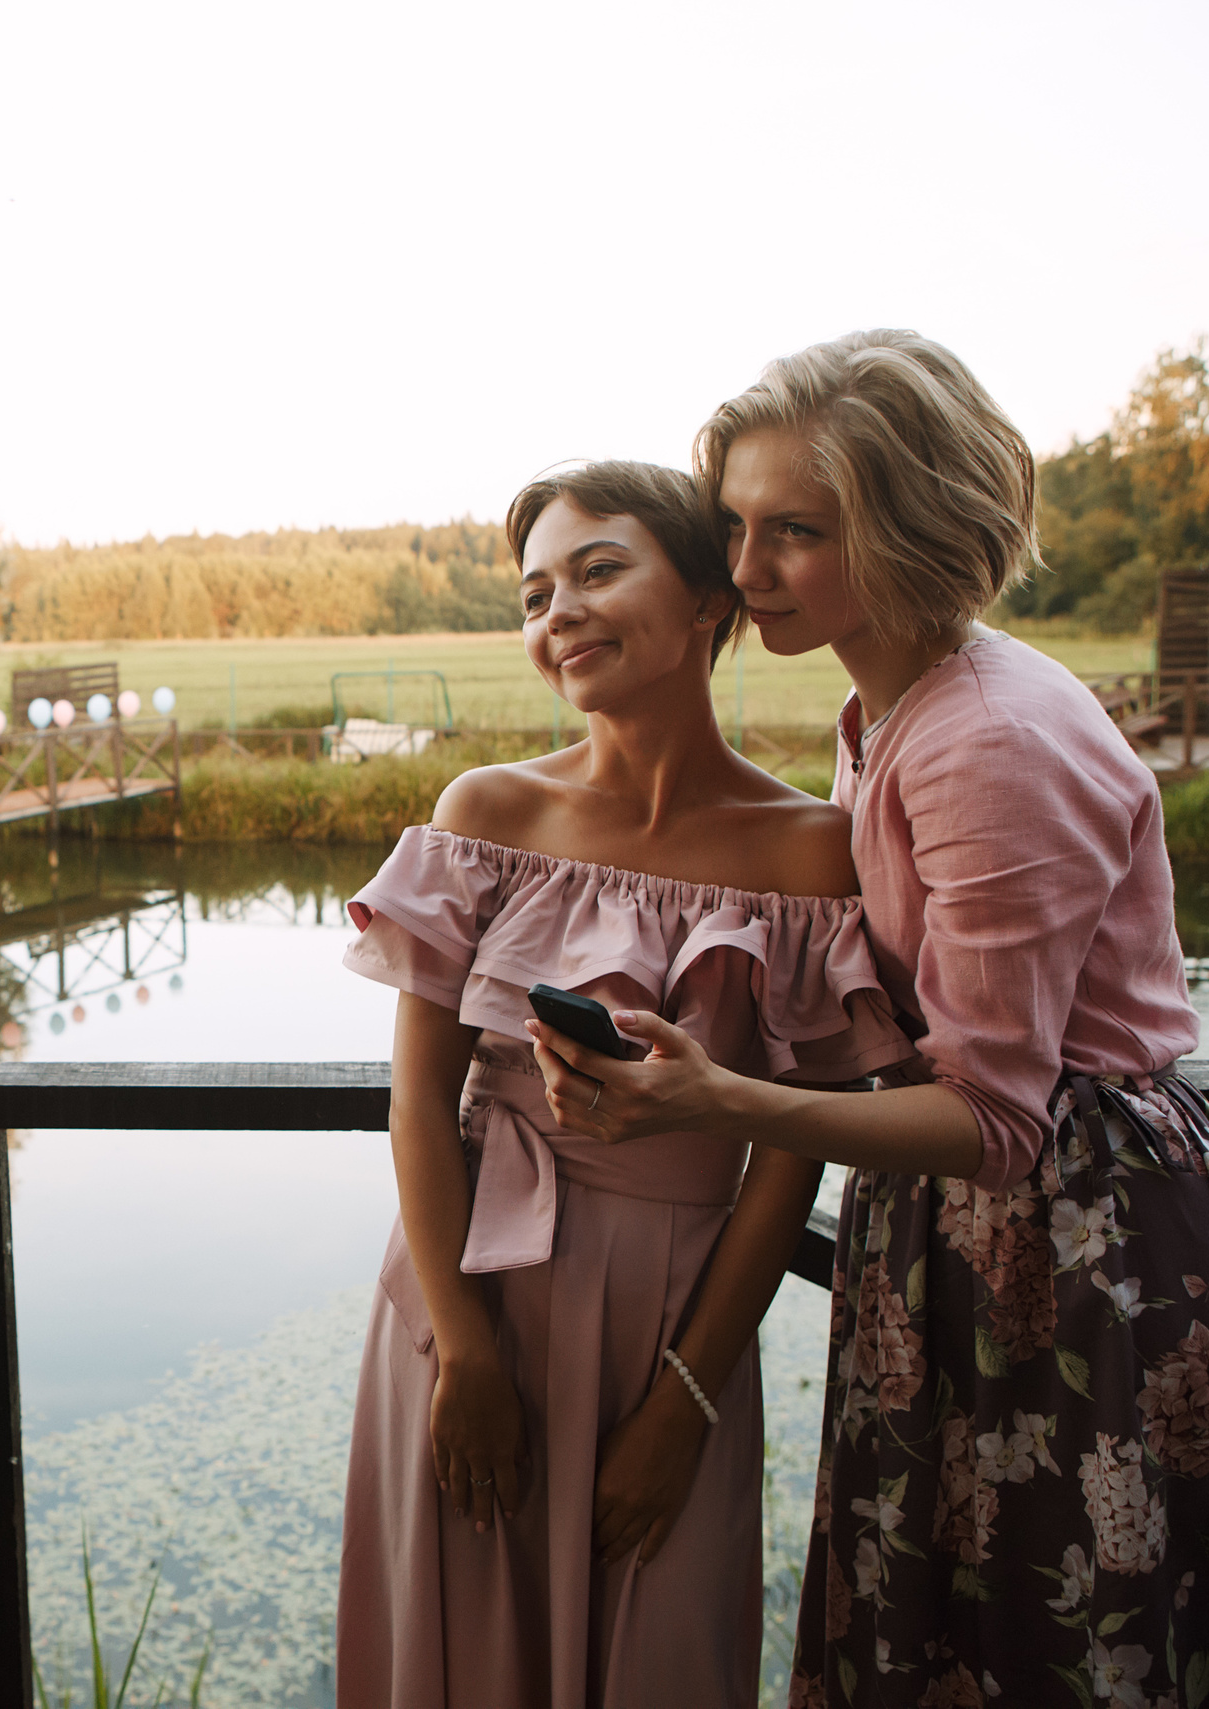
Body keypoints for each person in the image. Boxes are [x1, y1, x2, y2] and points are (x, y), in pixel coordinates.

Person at [527, 332, 1209, 1704]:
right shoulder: (885, 705)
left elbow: (1000, 1116)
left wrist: (719, 1097)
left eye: (796, 530)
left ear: (906, 526)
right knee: (967, 1619)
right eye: (733, 526)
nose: (745, 568)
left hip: (1082, 1235)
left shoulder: (989, 741)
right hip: (968, 1230)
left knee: (1061, 1633)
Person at [336, 461, 910, 1707]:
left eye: (598, 571)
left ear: (710, 595)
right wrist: (463, 1352)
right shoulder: (483, 813)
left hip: (674, 1328)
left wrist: (686, 1401)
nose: (560, 614)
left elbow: (792, 1151)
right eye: (536, 593)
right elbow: (418, 1104)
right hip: (462, 1301)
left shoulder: (810, 846)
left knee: (663, 1655)